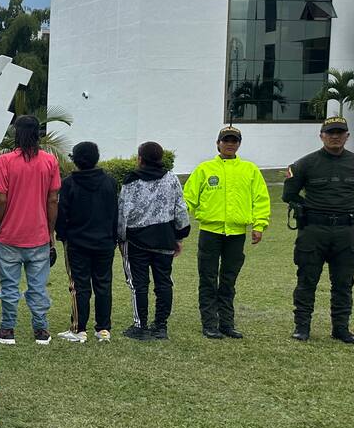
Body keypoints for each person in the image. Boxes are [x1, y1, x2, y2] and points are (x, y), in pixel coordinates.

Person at [282, 117, 354, 344]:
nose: (335, 136)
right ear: (321, 135)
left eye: (340, 132)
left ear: (347, 136)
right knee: (307, 280)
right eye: (330, 132)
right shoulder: (304, 164)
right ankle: (302, 327)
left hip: (346, 230)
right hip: (314, 230)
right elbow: (289, 194)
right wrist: (312, 209)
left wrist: (351, 208)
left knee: (344, 283)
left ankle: (341, 329)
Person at [183, 126, 270, 340]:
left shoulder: (250, 170)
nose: (230, 144)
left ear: (239, 144)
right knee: (208, 278)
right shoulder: (204, 169)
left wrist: (259, 225)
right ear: (218, 143)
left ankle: (227, 323)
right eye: (226, 140)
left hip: (236, 233)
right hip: (210, 232)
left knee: (229, 279)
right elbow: (188, 198)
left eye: (234, 141)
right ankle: (209, 323)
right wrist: (179, 221)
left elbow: (260, 199)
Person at [0, 116, 61, 346]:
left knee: (9, 286)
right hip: (39, 235)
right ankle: (41, 329)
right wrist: (49, 229)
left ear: (16, 134)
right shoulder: (50, 161)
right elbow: (53, 199)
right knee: (38, 286)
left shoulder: (6, 161)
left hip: (10, 235)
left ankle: (7, 328)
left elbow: (1, 199)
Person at [118, 141, 190, 341]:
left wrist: (120, 237)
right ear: (160, 158)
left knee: (139, 283)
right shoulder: (171, 179)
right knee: (164, 282)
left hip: (137, 239)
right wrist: (180, 235)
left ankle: (140, 325)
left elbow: (123, 211)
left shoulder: (131, 181)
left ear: (140, 158)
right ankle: (160, 326)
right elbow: (180, 209)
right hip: (164, 237)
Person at [54, 141, 118, 343]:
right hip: (105, 242)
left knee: (78, 286)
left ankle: (78, 329)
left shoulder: (69, 184)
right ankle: (103, 329)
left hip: (77, 243)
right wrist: (113, 236)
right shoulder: (110, 182)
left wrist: (62, 235)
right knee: (103, 285)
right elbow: (115, 213)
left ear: (76, 160)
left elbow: (61, 213)